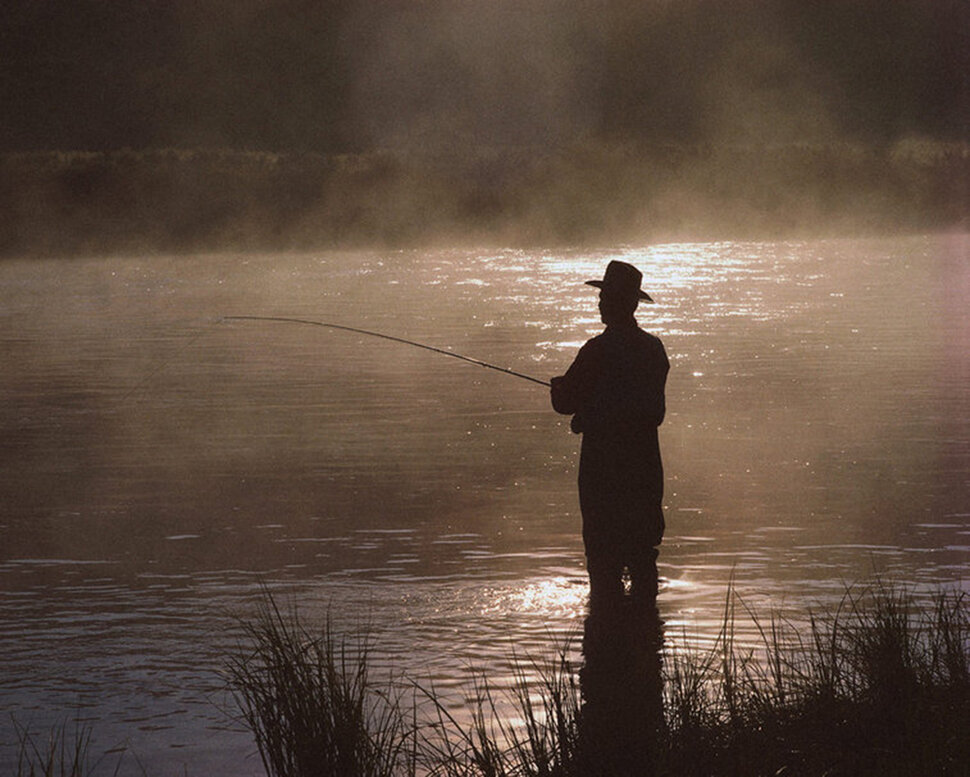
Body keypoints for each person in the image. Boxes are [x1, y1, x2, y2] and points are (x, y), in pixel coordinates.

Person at [551, 260, 669, 600]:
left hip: (602, 478)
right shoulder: (653, 350)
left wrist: (562, 393)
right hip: (644, 475)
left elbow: (565, 403)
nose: (600, 303)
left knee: (603, 570)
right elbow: (654, 414)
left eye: (605, 298)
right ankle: (647, 644)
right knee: (644, 565)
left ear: (621, 303)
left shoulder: (596, 351)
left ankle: (605, 642)